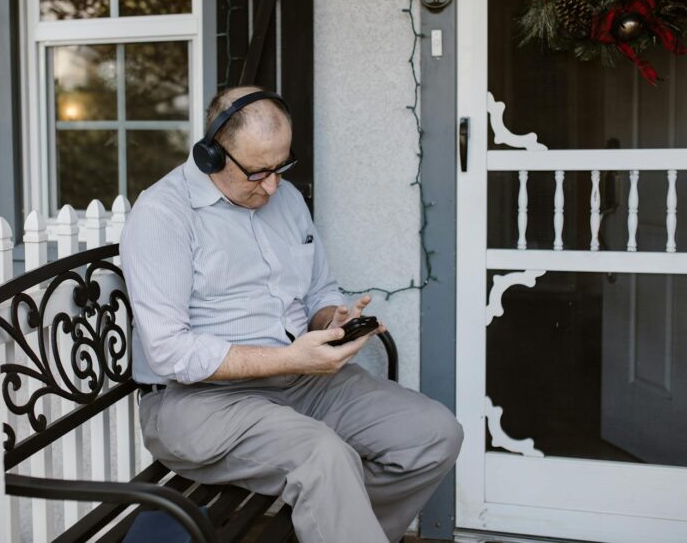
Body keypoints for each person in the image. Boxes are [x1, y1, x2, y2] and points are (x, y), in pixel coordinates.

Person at [120, 86, 462, 543]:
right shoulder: (163, 213)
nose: (273, 185)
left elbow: (318, 289)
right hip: (198, 403)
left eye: (281, 166)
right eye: (258, 172)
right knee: (324, 458)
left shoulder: (286, 200)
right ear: (210, 155)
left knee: (435, 434)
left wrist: (332, 322)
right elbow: (168, 352)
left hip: (299, 382)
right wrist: (292, 359)